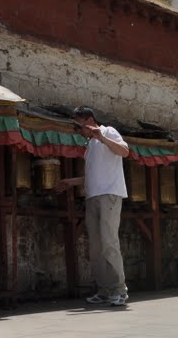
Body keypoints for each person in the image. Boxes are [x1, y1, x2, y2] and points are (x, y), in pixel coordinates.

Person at [55, 106, 130, 307]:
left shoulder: (108, 132)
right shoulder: (90, 147)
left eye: (79, 126)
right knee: (96, 248)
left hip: (110, 196)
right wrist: (70, 182)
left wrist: (101, 137)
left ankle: (119, 290)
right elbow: (94, 176)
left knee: (109, 243)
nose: (78, 131)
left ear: (89, 121)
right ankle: (104, 290)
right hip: (92, 197)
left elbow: (125, 151)